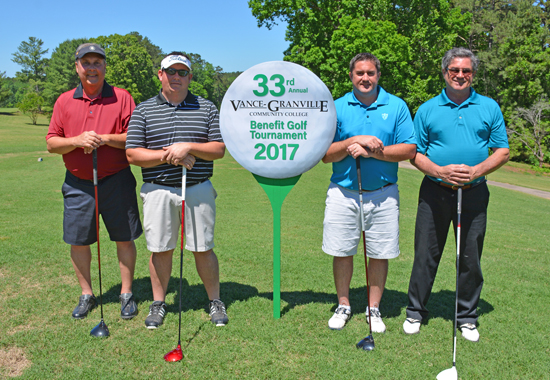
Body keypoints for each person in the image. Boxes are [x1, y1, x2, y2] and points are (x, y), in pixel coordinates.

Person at [403, 47, 509, 342]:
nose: (460, 75)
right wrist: (440, 171)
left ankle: (466, 317)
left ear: (473, 74)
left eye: (466, 71)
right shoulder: (427, 109)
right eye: (455, 70)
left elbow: (502, 151)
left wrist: (476, 172)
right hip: (435, 191)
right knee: (426, 253)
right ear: (445, 72)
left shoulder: (489, 107)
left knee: (469, 256)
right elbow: (415, 154)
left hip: (474, 193)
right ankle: (415, 312)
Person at [126, 52, 228, 329]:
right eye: (171, 71)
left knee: (203, 247)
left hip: (198, 188)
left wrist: (189, 147)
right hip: (158, 189)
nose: (177, 77)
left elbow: (218, 148)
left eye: (183, 72)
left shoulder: (206, 107)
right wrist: (169, 155)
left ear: (190, 77)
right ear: (160, 74)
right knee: (161, 249)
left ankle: (215, 301)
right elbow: (133, 154)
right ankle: (159, 303)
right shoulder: (144, 110)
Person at [46, 43, 143, 320]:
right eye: (86, 62)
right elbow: (52, 143)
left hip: (116, 179)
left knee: (124, 238)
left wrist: (104, 138)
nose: (92, 68)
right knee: (79, 241)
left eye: (97, 62)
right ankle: (86, 294)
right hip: (78, 183)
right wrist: (77, 141)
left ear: (104, 67)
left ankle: (126, 294)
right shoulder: (64, 101)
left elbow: (134, 137)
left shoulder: (122, 97)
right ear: (77, 66)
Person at [322, 53, 416, 331]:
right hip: (343, 191)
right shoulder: (336, 107)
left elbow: (409, 149)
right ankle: (344, 304)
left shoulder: (396, 106)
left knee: (379, 252)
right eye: (360, 73)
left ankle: (373, 309)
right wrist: (352, 140)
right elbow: (326, 155)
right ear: (351, 76)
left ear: (378, 76)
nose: (365, 78)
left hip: (383, 193)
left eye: (370, 73)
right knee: (342, 250)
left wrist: (372, 151)